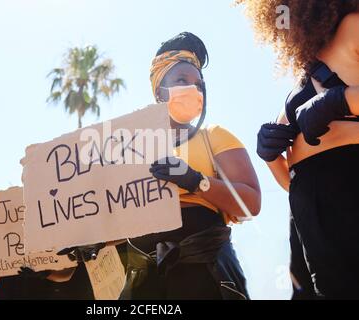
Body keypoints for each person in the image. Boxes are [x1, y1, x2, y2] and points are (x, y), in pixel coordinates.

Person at [120, 32, 261, 300]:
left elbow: (250, 204)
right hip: (143, 275)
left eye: (199, 84)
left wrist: (196, 181)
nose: (193, 89)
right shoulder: (127, 145)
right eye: (182, 80)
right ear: (160, 89)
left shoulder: (214, 136)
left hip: (205, 269)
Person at [239, 0, 359, 299]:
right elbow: (292, 183)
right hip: (311, 218)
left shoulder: (354, 25)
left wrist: (339, 101)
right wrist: (270, 158)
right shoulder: (302, 78)